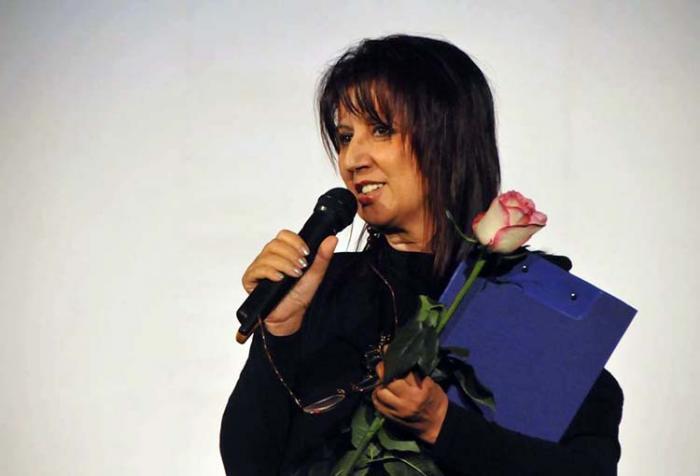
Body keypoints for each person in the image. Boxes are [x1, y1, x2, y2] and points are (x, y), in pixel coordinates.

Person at [220, 34, 623, 475]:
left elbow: (590, 468)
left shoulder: (525, 301)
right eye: (345, 136)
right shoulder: (321, 285)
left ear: (449, 137)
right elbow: (247, 465)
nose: (352, 159)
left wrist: (444, 427)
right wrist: (279, 333)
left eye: (381, 129)